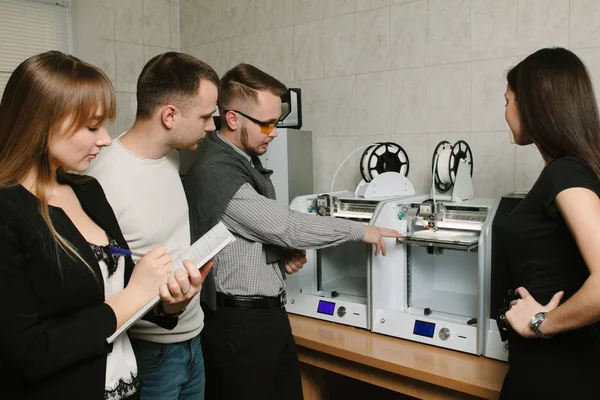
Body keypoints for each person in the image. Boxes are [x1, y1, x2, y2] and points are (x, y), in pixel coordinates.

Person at [183, 63, 402, 400]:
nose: (275, 132)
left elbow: (248, 234)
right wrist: (363, 231)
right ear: (233, 119)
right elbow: (288, 226)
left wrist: (275, 258)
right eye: (267, 124)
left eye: (277, 122)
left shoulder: (241, 160)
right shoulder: (217, 171)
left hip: (266, 317)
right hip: (240, 326)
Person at [0, 51, 206, 400]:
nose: (106, 139)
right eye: (91, 127)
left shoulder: (87, 190)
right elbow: (31, 352)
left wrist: (167, 302)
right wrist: (136, 295)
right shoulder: (8, 211)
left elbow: (119, 286)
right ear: (40, 121)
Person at [88, 52, 219, 400]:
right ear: (170, 115)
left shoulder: (173, 156)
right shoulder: (100, 178)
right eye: (205, 116)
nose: (211, 126)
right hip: (148, 352)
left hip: (194, 339)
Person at [500, 47, 600, 397]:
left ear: (531, 105)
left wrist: (540, 323)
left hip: (557, 376)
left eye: (508, 100)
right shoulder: (572, 170)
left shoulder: (567, 172)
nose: (506, 112)